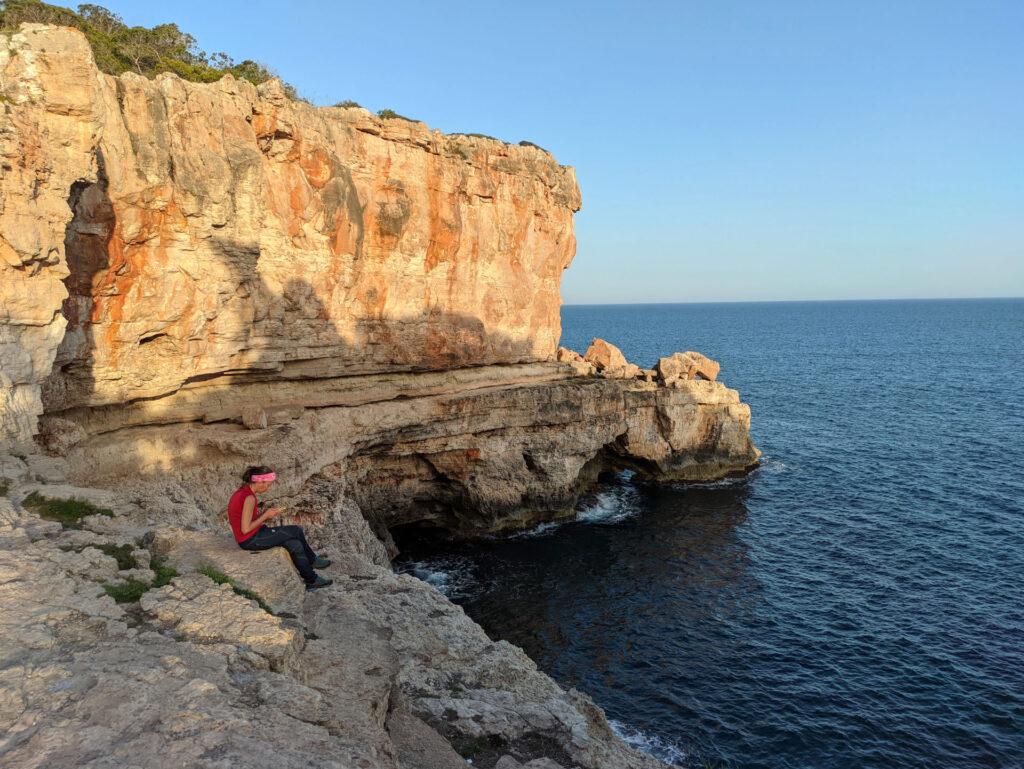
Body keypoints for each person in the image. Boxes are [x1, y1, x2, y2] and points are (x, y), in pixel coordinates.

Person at [227, 466, 333, 591]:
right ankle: (313, 560)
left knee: (294, 544)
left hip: (253, 535)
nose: (268, 488)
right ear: (261, 482)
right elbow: (245, 528)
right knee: (295, 530)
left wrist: (264, 515)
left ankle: (312, 580)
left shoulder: (243, 492)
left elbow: (245, 521)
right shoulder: (249, 498)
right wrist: (266, 515)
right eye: (268, 485)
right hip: (250, 539)